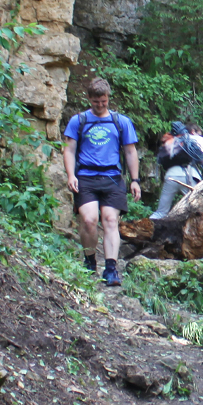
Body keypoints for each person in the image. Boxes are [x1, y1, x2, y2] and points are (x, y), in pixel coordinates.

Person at [61, 79, 140, 287]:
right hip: (86, 176)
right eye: (96, 102)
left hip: (112, 177)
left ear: (108, 99)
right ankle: (89, 261)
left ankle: (111, 269)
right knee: (88, 220)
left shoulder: (120, 122)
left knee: (110, 220)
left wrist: (135, 180)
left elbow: (130, 151)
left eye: (103, 101)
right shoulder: (79, 121)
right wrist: (71, 175)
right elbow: (69, 149)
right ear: (89, 99)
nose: (100, 105)